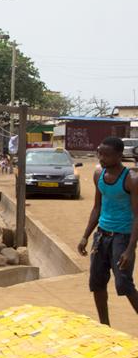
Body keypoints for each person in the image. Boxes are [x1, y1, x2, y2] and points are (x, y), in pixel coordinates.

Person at [77, 136, 138, 326]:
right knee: (97, 283)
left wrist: (129, 249)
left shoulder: (131, 180)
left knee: (124, 284)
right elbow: (97, 207)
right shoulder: (98, 175)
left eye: (107, 155)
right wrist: (85, 236)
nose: (101, 158)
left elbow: (137, 216)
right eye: (100, 153)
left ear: (119, 156)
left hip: (122, 237)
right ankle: (105, 326)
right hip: (101, 235)